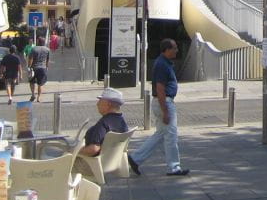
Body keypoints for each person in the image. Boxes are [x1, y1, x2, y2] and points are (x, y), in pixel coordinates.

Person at [128, 39, 189, 176]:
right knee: (171, 136)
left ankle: (135, 158)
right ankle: (175, 168)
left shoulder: (164, 62)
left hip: (163, 101)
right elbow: (160, 88)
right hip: (165, 102)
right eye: (174, 48)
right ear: (166, 50)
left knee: (161, 134)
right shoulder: (162, 65)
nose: (176, 50)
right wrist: (165, 111)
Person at [78, 87, 129, 156]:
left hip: (94, 162)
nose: (97, 104)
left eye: (100, 101)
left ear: (108, 104)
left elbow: (94, 149)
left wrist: (76, 151)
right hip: (113, 159)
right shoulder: (122, 121)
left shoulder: (103, 123)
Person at [28, 36, 51, 102]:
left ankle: (33, 94)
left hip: (34, 68)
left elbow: (30, 59)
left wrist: (29, 67)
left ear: (38, 41)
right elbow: (47, 60)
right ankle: (39, 97)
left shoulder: (34, 49)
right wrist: (47, 67)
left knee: (32, 82)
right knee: (40, 84)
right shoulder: (47, 49)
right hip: (43, 68)